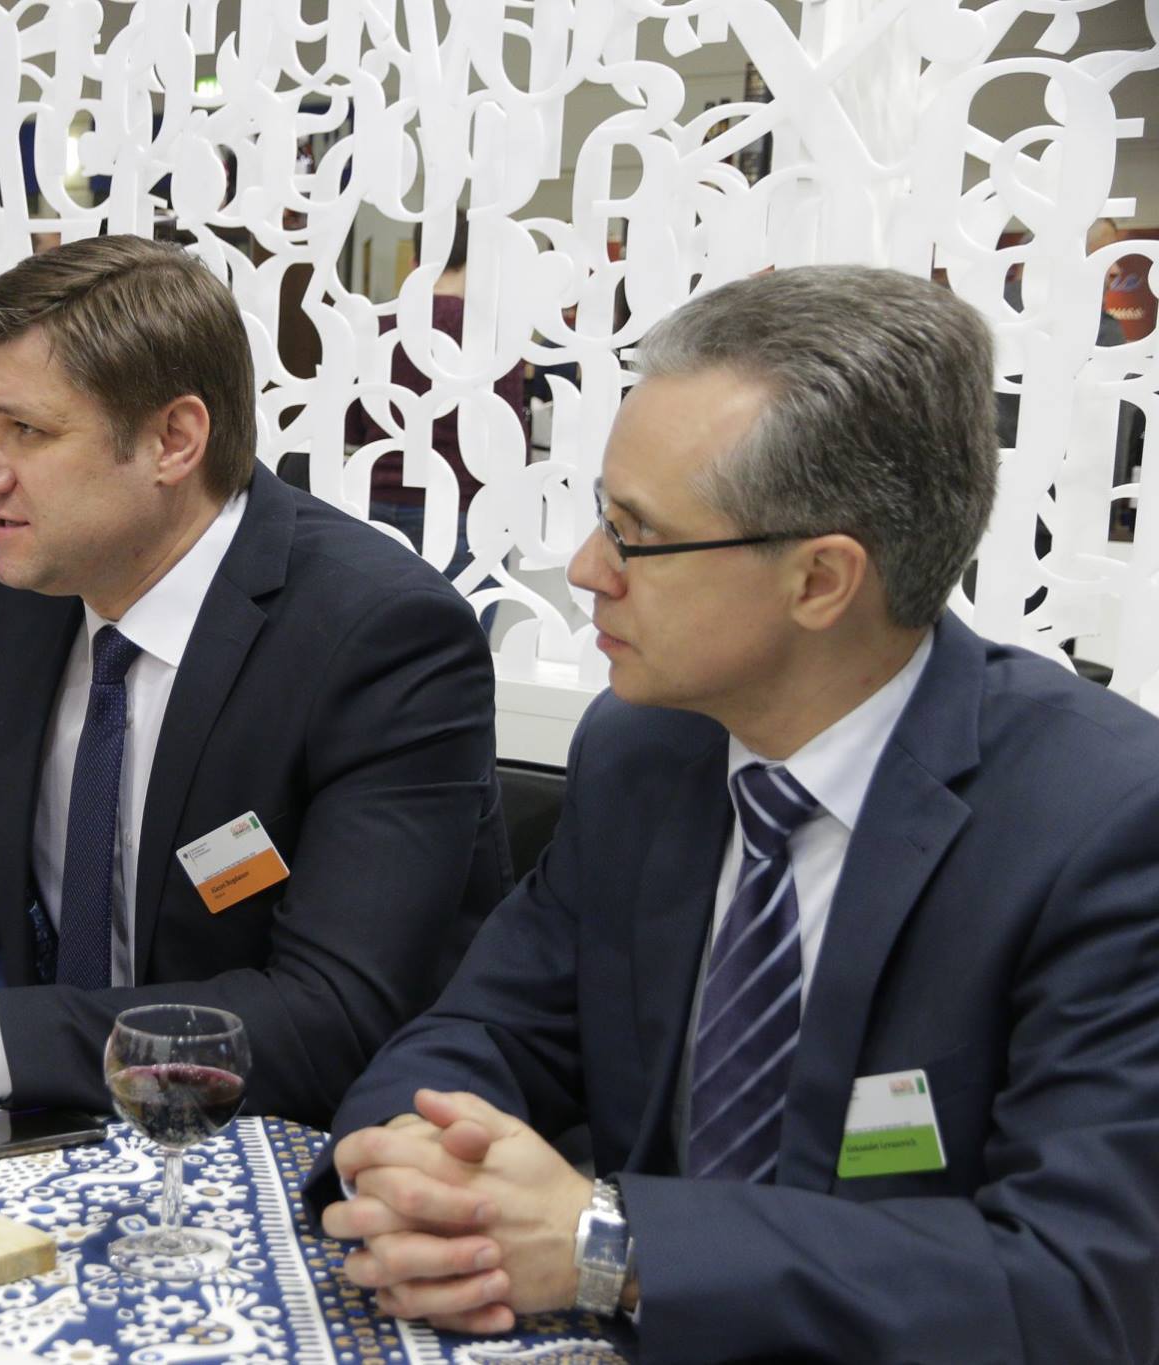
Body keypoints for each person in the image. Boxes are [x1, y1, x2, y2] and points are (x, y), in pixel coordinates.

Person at [314, 266, 1159, 1362]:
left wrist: (613, 1246)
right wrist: (415, 1164)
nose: (587, 569)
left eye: (636, 535)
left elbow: (1074, 1287)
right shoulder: (644, 749)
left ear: (820, 581)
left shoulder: (1102, 822)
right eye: (599, 516)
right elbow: (487, 1029)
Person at [0, 235, 512, 1126]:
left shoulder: (379, 637)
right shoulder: (21, 604)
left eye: (27, 431)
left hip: (300, 1151)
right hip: (63, 1125)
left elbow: (331, 1021)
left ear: (174, 440)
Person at [347, 216, 528, 582]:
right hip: (461, 509)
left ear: (415, 260)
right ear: (477, 263)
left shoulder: (381, 327)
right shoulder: (490, 338)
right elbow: (508, 439)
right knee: (461, 617)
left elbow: (353, 423)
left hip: (376, 502)